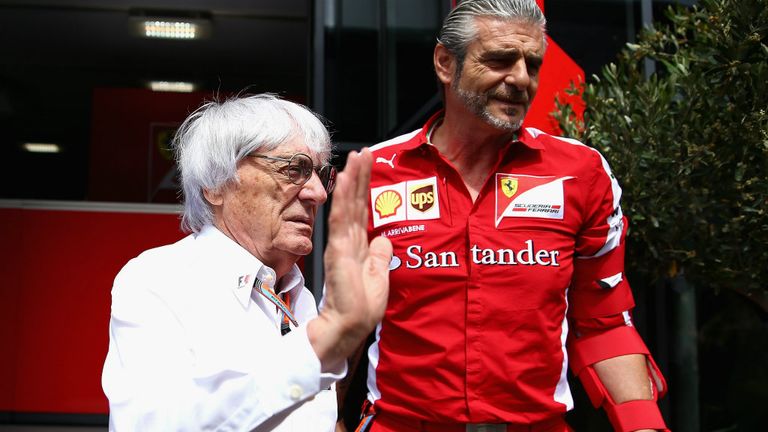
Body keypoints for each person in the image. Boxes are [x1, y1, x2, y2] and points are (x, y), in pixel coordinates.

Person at [354, 1, 669, 431]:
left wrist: (643, 425)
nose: (521, 78)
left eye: (532, 64)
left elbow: (604, 322)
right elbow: (343, 321)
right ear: (446, 63)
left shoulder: (582, 172)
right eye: (500, 60)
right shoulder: (373, 172)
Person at [102, 93, 392, 431]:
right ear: (216, 183)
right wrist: (319, 346)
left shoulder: (296, 294)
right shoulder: (159, 280)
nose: (318, 193)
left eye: (320, 173)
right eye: (294, 168)